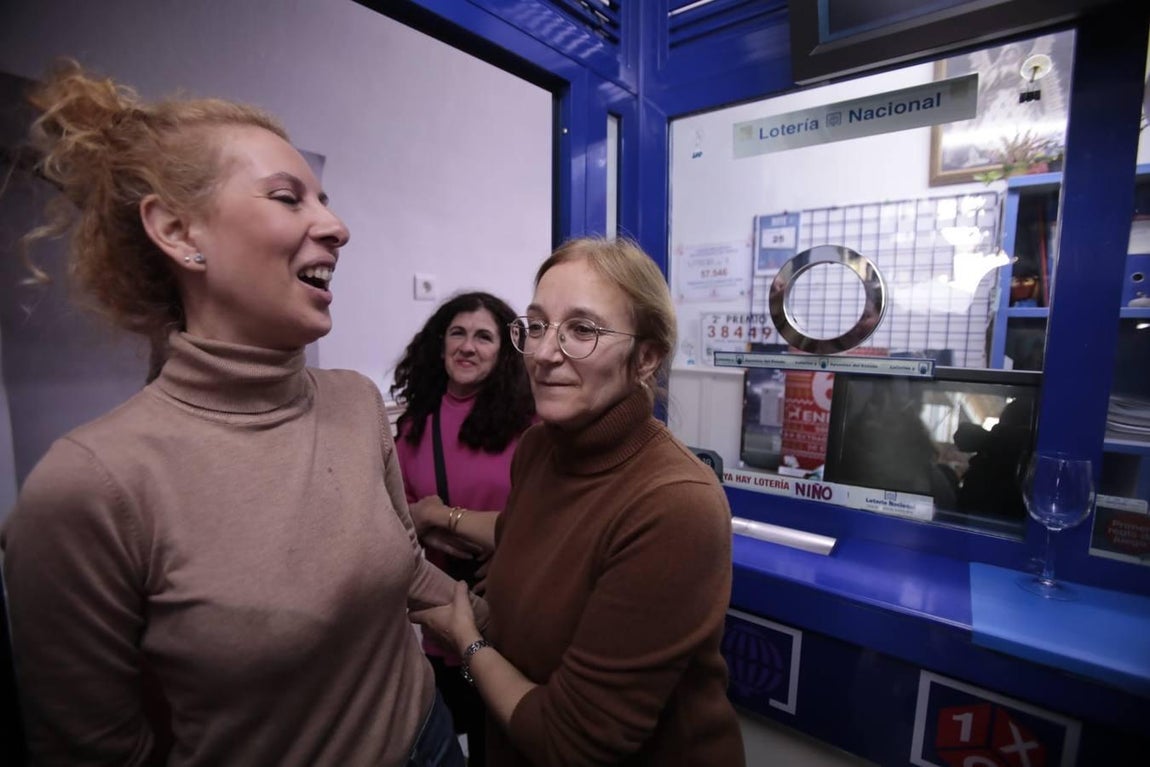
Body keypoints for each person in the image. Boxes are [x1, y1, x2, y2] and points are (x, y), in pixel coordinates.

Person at [0, 60, 483, 766]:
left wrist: (495, 637)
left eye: (326, 199)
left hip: (432, 740)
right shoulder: (90, 487)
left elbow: (402, 568)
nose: (338, 226)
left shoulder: (354, 402)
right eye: (289, 198)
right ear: (177, 230)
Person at [410, 237, 746, 766]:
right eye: (537, 325)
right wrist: (439, 519)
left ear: (647, 357)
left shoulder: (676, 506)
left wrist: (467, 641)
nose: (543, 354)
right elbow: (535, 537)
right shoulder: (540, 448)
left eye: (583, 330)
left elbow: (573, 745)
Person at [390, 290, 535, 766]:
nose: (468, 346)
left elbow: (548, 519)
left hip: (512, 611)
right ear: (440, 343)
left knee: (507, 743)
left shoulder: (531, 425)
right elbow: (394, 514)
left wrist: (438, 516)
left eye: (484, 337)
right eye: (458, 333)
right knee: (446, 737)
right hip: (440, 613)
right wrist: (425, 521)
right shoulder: (413, 428)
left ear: (504, 350)